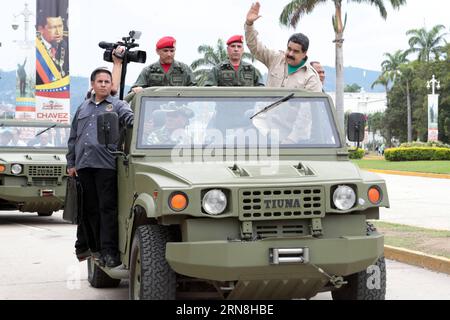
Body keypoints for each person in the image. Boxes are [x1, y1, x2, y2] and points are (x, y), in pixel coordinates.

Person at [66, 67, 134, 267]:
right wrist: (71, 163)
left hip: (106, 166)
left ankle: (109, 252)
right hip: (84, 166)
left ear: (111, 85)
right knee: (88, 210)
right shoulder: (83, 107)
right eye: (100, 81)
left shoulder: (118, 105)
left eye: (107, 82)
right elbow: (73, 137)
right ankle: (94, 250)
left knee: (107, 210)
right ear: (93, 84)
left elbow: (131, 120)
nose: (104, 84)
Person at [244, 2, 322, 92]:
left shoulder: (311, 77)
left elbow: (311, 104)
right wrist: (249, 24)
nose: (290, 54)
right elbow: (255, 47)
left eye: (296, 51)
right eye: (289, 49)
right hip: (268, 106)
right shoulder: (275, 59)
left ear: (304, 54)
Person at [131, 36, 195, 93]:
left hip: (180, 105)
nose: (169, 54)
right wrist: (136, 89)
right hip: (154, 106)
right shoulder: (149, 70)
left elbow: (195, 89)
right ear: (157, 51)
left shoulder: (184, 69)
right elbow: (134, 91)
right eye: (165, 51)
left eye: (172, 51)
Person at [36, 0, 69, 85]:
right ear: (41, 29)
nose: (58, 32)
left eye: (60, 26)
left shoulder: (64, 46)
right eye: (53, 27)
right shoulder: (36, 50)